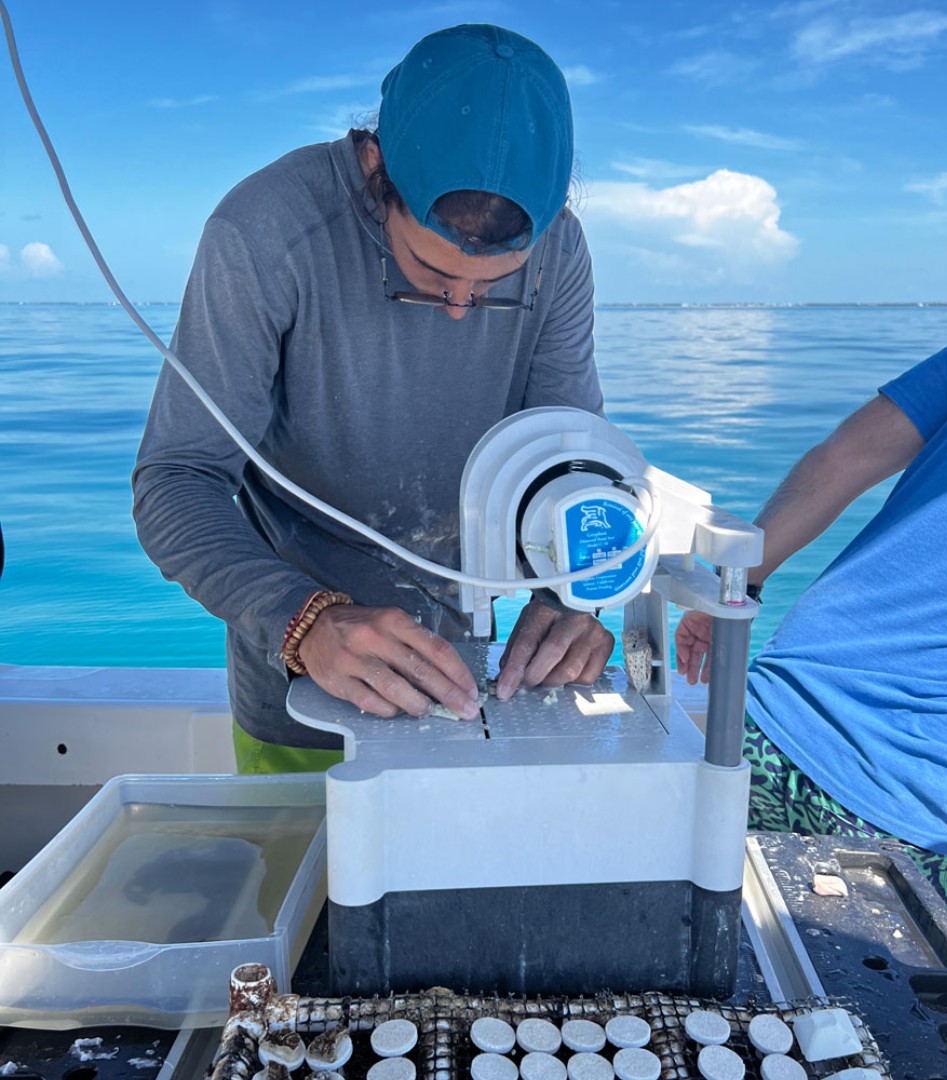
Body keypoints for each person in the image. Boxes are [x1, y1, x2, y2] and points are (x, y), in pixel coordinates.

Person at [132, 24, 614, 774]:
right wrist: (306, 621)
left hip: (480, 690)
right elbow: (175, 480)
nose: (459, 306)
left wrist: (570, 601)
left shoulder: (560, 253)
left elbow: (568, 460)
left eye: (492, 290)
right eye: (431, 273)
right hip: (300, 694)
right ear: (376, 168)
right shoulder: (262, 233)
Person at [676, 298, 947, 1027]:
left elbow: (845, 457)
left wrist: (741, 586)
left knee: (726, 1018)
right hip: (942, 818)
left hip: (766, 735)